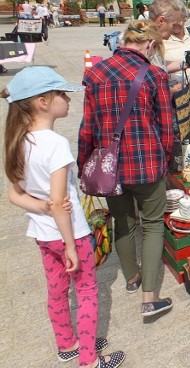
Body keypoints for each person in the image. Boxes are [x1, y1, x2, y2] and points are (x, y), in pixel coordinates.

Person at [3, 66, 125, 368]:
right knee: (86, 291)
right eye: (62, 94)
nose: (68, 99)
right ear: (43, 102)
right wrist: (70, 244)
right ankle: (89, 360)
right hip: (69, 233)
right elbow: (59, 202)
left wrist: (43, 207)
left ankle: (67, 344)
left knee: (56, 291)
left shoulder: (19, 141)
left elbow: (14, 195)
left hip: (43, 235)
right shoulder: (55, 144)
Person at [78, 20, 174, 318]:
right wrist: (166, 160)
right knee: (153, 224)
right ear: (148, 45)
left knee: (123, 221)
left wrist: (84, 166)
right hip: (147, 164)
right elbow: (167, 129)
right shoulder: (154, 75)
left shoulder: (95, 73)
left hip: (110, 169)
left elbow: (87, 129)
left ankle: (131, 278)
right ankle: (149, 297)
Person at [148, 0, 190, 159]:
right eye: (174, 24)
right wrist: (170, 87)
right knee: (173, 147)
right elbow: (149, 74)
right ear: (161, 21)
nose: (179, 26)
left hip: (188, 94)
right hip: (167, 101)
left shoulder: (187, 34)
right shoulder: (147, 42)